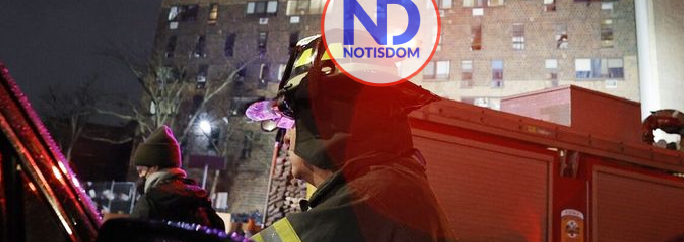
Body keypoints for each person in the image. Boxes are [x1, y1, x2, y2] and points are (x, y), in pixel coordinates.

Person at [246, 35, 455, 242]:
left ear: (328, 119)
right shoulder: (387, 186)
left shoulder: (369, 199)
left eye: (294, 121)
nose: (287, 139)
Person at [126, 125, 225, 231]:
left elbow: (131, 235)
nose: (140, 175)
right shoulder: (200, 200)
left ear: (154, 167)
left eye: (141, 170)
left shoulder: (150, 201)